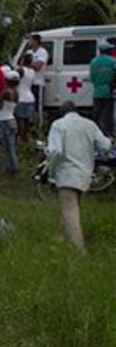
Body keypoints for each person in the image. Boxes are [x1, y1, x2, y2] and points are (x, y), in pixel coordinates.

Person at [45, 102, 111, 249]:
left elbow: (55, 151)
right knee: (73, 206)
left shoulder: (58, 124)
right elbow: (105, 145)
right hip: (85, 173)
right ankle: (59, 239)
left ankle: (78, 250)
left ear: (62, 113)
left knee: (70, 211)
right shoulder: (90, 124)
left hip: (66, 172)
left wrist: (50, 168)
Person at [0, 70, 20, 177]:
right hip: (11, 118)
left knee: (8, 147)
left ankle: (13, 168)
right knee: (11, 145)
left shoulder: (6, 92)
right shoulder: (16, 92)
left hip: (5, 120)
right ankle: (11, 166)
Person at [89, 41, 115, 136]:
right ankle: (109, 133)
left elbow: (92, 78)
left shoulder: (93, 62)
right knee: (108, 114)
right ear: (107, 50)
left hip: (97, 92)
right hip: (108, 91)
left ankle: (95, 133)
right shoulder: (112, 61)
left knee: (97, 114)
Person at [15, 56, 36, 143]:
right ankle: (26, 138)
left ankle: (20, 138)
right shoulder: (32, 71)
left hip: (21, 98)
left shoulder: (21, 70)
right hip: (30, 98)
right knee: (27, 120)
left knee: (20, 119)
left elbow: (15, 79)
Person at [27, 34, 49, 112]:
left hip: (38, 83)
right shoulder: (29, 52)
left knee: (37, 106)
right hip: (29, 83)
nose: (29, 42)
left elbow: (38, 67)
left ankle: (38, 122)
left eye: (31, 40)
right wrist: (33, 64)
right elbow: (22, 64)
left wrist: (29, 64)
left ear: (35, 41)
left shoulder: (43, 52)